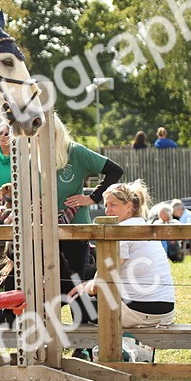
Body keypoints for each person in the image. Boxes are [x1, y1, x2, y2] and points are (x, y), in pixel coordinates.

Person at [67, 180, 175, 328]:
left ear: (129, 206)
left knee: (77, 299)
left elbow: (102, 281)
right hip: (165, 310)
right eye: (106, 205)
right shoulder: (143, 225)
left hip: (141, 312)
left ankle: (90, 343)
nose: (107, 210)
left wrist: (85, 286)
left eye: (113, 205)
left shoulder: (122, 231)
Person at [49, 113, 124, 295]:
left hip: (76, 227)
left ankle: (82, 313)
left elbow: (115, 170)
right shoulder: (32, 156)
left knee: (76, 282)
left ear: (56, 131)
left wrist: (92, 198)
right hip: (45, 227)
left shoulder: (76, 152)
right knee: (49, 282)